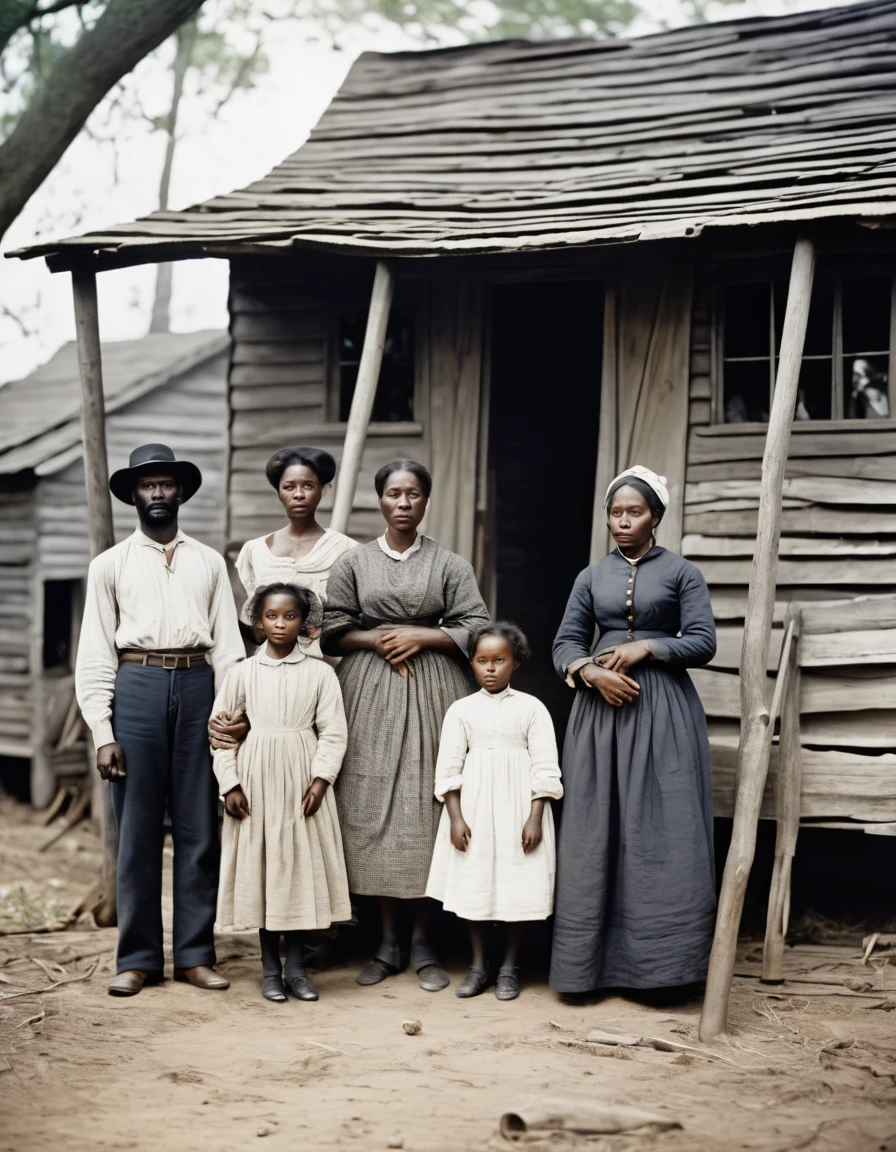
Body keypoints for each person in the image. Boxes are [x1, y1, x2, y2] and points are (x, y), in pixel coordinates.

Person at [75, 444, 244, 997]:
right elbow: (96, 653)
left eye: (166, 484)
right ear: (132, 495)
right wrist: (103, 732)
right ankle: (139, 958)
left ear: (180, 493)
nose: (157, 493)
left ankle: (195, 955)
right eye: (147, 485)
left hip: (199, 683)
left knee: (199, 826)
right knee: (137, 830)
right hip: (137, 685)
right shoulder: (110, 565)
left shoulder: (209, 560)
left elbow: (229, 648)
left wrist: (231, 711)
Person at [320, 459, 490, 992]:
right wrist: (378, 639)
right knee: (372, 806)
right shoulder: (353, 563)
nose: (403, 503)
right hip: (369, 692)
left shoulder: (449, 563)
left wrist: (424, 636)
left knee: (426, 806)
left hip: (436, 690)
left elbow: (477, 626)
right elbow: (331, 629)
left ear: (425, 501)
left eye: (413, 495)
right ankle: (385, 942)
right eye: (393, 494)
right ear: (380, 500)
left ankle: (424, 942)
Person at [550, 464, 717, 995]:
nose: (623, 521)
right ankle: (587, 971)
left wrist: (649, 646)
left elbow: (704, 642)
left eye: (634, 512)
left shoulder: (682, 573)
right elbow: (565, 644)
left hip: (662, 712)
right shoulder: (590, 576)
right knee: (595, 831)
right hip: (601, 716)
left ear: (656, 518)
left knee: (663, 832)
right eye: (615, 513)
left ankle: (665, 973)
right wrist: (592, 672)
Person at [211, 582, 351, 1003]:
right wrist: (229, 784)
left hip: (301, 778)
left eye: (290, 616)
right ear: (258, 622)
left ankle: (297, 968)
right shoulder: (242, 673)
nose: (280, 624)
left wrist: (321, 778)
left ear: (305, 625)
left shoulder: (321, 673)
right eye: (272, 616)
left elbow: (333, 733)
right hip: (256, 781)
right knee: (264, 867)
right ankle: (270, 967)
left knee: (297, 868)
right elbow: (221, 736)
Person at [426, 622, 563, 1001]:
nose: (490, 668)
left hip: (519, 809)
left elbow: (546, 766)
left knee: (517, 885)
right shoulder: (461, 710)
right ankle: (478, 965)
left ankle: (509, 968)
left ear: (515, 663)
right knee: (476, 884)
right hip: (474, 809)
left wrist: (535, 815)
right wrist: (455, 817)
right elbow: (448, 769)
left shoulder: (531, 708)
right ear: (471, 663)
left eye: (499, 660)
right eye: (482, 660)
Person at [233, 446, 357, 659]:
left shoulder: (346, 550)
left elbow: (355, 618)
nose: (298, 494)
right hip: (269, 667)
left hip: (327, 666)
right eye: (289, 487)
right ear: (279, 492)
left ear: (323, 490)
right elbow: (251, 623)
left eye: (308, 485)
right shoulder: (255, 551)